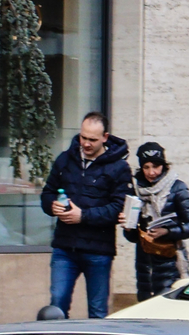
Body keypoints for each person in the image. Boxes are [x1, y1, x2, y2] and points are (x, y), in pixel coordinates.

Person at [41, 113, 131, 319]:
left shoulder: (119, 167)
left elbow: (119, 207)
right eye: (83, 138)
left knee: (98, 310)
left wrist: (83, 216)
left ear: (105, 137)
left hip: (98, 250)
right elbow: (48, 192)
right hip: (65, 247)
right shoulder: (65, 159)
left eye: (92, 139)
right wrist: (51, 205)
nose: (86, 144)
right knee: (57, 304)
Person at [125, 140, 189, 301]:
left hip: (170, 262)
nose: (151, 172)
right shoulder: (136, 191)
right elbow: (132, 237)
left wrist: (167, 231)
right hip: (144, 264)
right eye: (146, 167)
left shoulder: (177, 188)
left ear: (164, 166)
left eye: (156, 166)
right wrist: (128, 227)